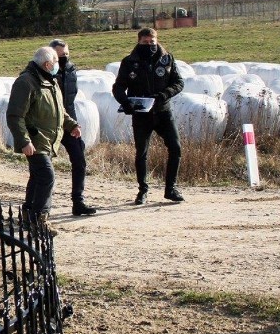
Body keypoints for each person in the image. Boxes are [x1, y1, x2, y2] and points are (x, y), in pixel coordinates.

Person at [7, 46, 81, 236]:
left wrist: (71, 125)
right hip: (35, 140)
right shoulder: (26, 83)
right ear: (47, 64)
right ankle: (40, 220)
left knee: (37, 177)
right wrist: (24, 141)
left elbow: (59, 110)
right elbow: (15, 116)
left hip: (48, 139)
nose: (58, 64)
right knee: (47, 177)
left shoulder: (51, 81)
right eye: (56, 61)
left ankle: (28, 216)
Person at [112, 27, 185, 205]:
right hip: (141, 115)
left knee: (175, 148)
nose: (150, 45)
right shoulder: (129, 62)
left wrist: (164, 94)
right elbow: (118, 87)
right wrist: (126, 102)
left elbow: (179, 82)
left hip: (163, 112)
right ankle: (142, 190)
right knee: (141, 153)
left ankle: (171, 188)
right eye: (145, 42)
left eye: (152, 42)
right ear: (139, 42)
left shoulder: (167, 59)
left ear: (156, 40)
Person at [49, 39, 97, 216]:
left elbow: (70, 100)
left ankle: (78, 202)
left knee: (79, 160)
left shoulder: (71, 70)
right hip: (48, 123)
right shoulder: (44, 72)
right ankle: (34, 207)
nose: (64, 58)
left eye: (66, 54)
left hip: (68, 121)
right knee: (43, 167)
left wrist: (74, 123)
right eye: (60, 56)